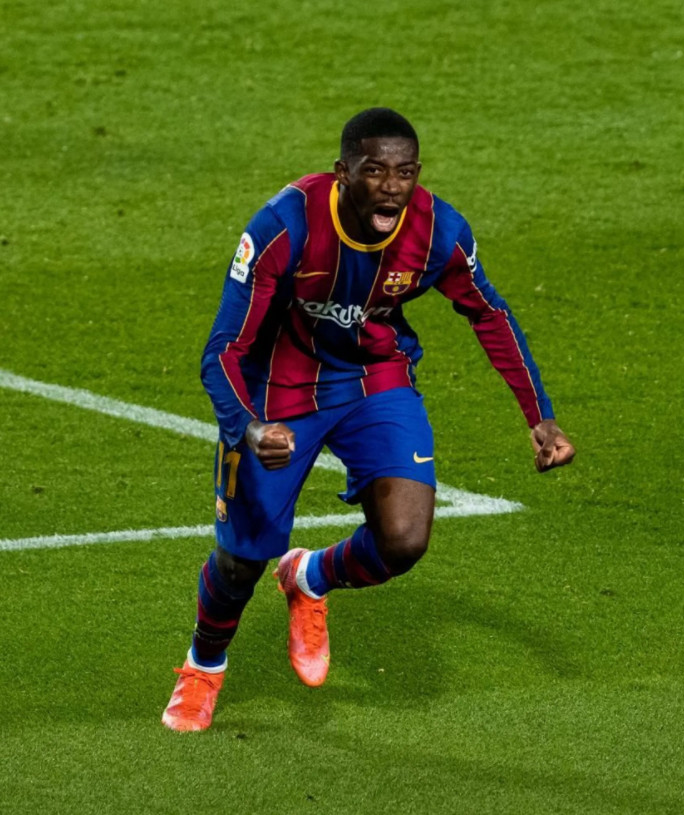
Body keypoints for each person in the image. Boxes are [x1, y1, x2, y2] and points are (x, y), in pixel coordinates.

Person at [162, 108, 576, 732]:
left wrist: (539, 416)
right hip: (279, 391)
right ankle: (203, 667)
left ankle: (309, 576)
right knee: (242, 561)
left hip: (374, 380)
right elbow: (223, 348)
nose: (391, 186)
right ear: (342, 172)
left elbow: (489, 313)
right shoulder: (284, 226)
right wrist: (244, 427)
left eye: (405, 172)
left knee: (405, 539)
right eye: (375, 170)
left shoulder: (439, 231)